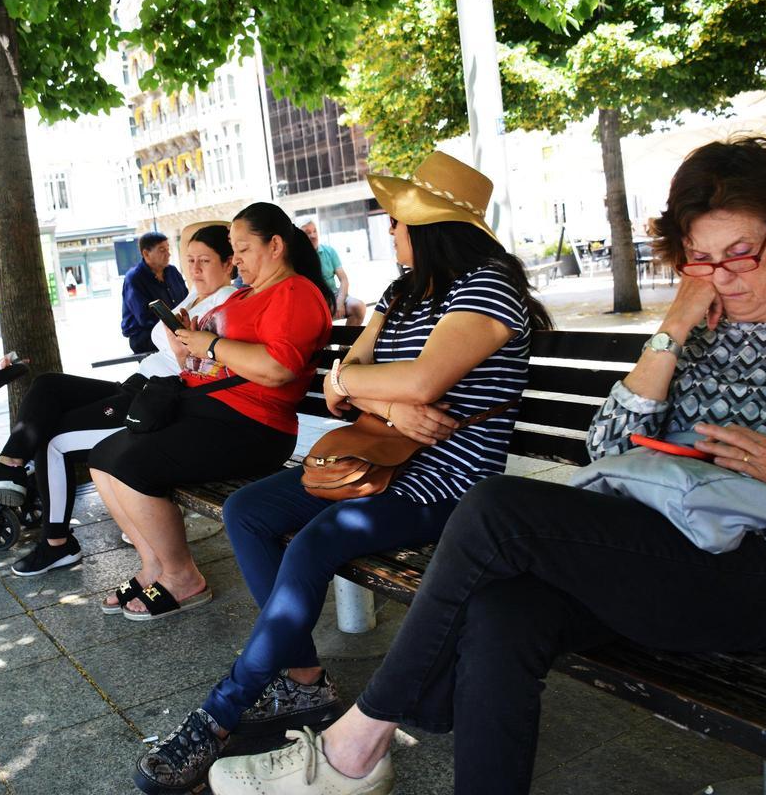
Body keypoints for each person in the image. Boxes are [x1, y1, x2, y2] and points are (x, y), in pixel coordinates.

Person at [205, 136, 766, 795]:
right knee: (503, 611)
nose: (720, 278)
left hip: (754, 582)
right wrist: (671, 330)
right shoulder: (696, 332)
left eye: (739, 255)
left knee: (496, 508)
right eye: (698, 260)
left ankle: (354, 745)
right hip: (647, 550)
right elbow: (608, 446)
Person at [134, 151, 554, 795]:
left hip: (447, 484)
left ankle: (221, 711)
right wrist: (387, 400)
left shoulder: (490, 289)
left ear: (432, 226)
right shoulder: (402, 292)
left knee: (316, 539)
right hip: (368, 459)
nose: (389, 232)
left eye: (396, 222)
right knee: (248, 511)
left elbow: (422, 378)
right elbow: (339, 386)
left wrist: (381, 388)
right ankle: (303, 683)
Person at [88, 202, 334, 624]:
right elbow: (210, 364)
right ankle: (153, 567)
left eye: (242, 248)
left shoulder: (295, 293)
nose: (235, 258)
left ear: (275, 245)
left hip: (255, 426)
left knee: (132, 465)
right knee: (102, 457)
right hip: (211, 409)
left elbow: (278, 369)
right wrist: (187, 349)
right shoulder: (245, 294)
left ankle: (182, 577)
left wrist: (212, 345)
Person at [0, 223, 239, 576]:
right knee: (48, 385)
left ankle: (56, 543)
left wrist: (182, 346)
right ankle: (9, 466)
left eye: (205, 261)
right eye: (189, 259)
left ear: (229, 264)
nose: (193, 267)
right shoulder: (192, 296)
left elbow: (204, 370)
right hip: (136, 383)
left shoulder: (226, 304)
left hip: (158, 399)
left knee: (53, 439)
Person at [122, 231, 189, 353]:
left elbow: (186, 299)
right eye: (162, 250)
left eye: (168, 249)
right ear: (146, 253)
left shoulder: (172, 272)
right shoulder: (134, 278)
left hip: (175, 330)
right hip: (145, 336)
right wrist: (174, 328)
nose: (168, 254)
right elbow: (144, 317)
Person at [301, 218, 366, 326]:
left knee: (359, 307)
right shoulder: (297, 259)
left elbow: (344, 279)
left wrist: (339, 302)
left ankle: (344, 343)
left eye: (315, 231)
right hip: (312, 302)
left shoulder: (329, 251)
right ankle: (325, 342)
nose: (313, 235)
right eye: (307, 233)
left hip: (334, 296)